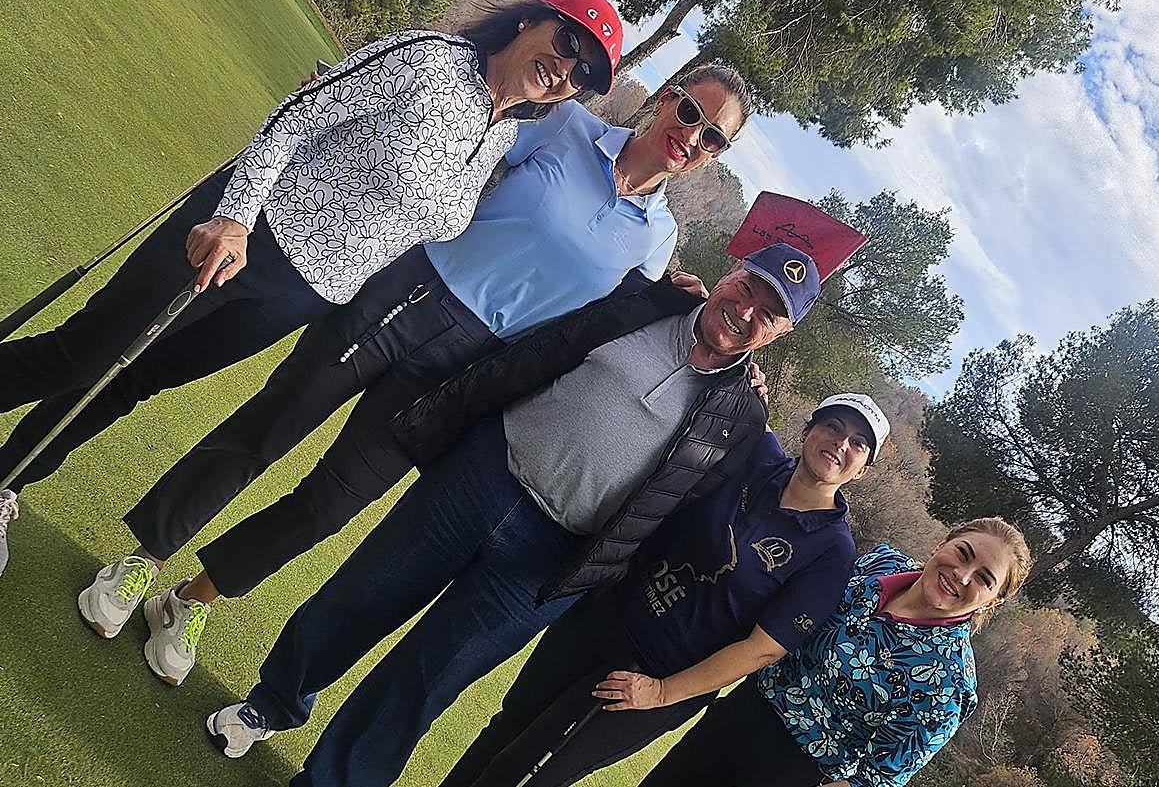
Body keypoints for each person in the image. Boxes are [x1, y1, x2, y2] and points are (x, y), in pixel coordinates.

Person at [71, 63, 753, 687]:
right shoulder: (568, 127)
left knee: (330, 504)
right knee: (267, 429)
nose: (693, 138)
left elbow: (619, 327)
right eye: (691, 112)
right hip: (410, 290)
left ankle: (189, 599)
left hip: (470, 367)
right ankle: (145, 558)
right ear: (666, 98)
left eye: (714, 139)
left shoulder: (658, 240)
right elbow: (457, 151)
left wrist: (730, 364)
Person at [0, 0, 620, 558]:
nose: (565, 69)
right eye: (568, 42)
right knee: (82, 357)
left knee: (135, 380)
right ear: (531, 19)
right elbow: (302, 111)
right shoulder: (431, 57)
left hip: (301, 294)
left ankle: (9, 481)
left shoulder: (498, 138)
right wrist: (236, 217)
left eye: (584, 73)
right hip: (246, 234)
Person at [205, 243, 821, 787]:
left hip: (549, 561)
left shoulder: (742, 422)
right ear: (731, 273)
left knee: (428, 677)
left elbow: (686, 511)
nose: (746, 312)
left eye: (768, 312)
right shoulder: (640, 297)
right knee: (362, 597)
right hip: (482, 475)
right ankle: (274, 702)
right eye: (748, 288)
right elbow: (541, 347)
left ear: (780, 333)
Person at [440, 394, 892, 787]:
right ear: (810, 428)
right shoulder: (759, 457)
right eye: (834, 426)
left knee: (535, 771)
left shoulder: (832, 551)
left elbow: (762, 650)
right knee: (508, 725)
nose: (841, 443)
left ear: (864, 471)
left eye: (858, 443)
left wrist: (658, 693)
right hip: (602, 618)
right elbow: (735, 400)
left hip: (656, 674)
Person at [637, 516, 1033, 787]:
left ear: (991, 602)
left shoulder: (950, 683)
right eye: (963, 553)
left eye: (984, 578)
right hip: (738, 715)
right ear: (943, 544)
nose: (962, 576)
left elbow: (875, 779)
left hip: (791, 772)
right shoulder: (879, 563)